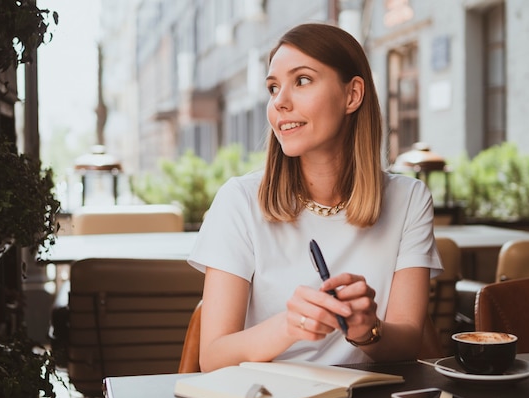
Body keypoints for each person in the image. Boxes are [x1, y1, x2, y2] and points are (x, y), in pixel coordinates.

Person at [188, 23, 443, 372]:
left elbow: (409, 343)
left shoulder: (409, 199)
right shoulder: (239, 201)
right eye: (273, 87)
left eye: (302, 80)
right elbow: (213, 359)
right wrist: (288, 325)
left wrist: (366, 330)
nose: (280, 102)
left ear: (352, 95)